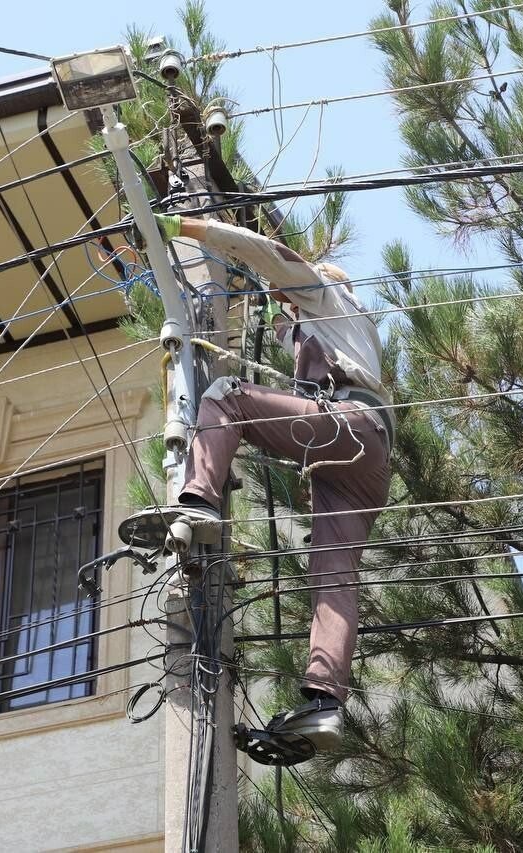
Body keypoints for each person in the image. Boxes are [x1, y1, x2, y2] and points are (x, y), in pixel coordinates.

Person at [154, 213, 393, 761]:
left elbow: (268, 255)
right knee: (332, 575)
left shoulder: (327, 295)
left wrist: (188, 229)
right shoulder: (348, 331)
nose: (286, 312)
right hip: (366, 458)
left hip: (349, 423)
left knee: (226, 395)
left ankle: (196, 501)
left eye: (291, 305)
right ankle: (324, 700)